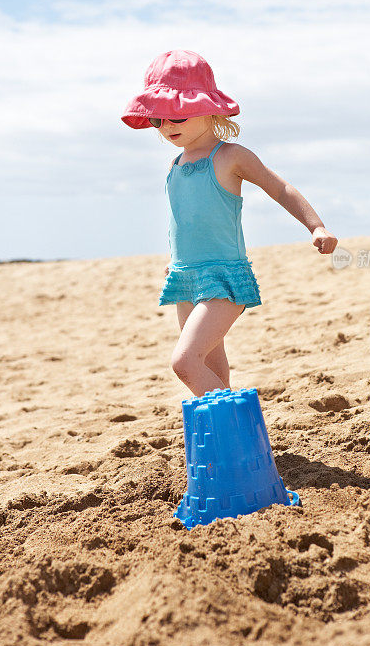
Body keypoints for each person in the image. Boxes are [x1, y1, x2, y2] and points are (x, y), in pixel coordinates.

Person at [121, 49, 338, 399]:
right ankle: (234, 445)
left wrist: (316, 226)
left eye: (177, 116)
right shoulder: (175, 164)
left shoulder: (229, 156)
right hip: (185, 278)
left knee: (185, 362)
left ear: (207, 108)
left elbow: (279, 188)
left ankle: (242, 424)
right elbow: (185, 218)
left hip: (223, 276)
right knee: (210, 365)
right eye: (159, 120)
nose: (167, 127)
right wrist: (174, 258)